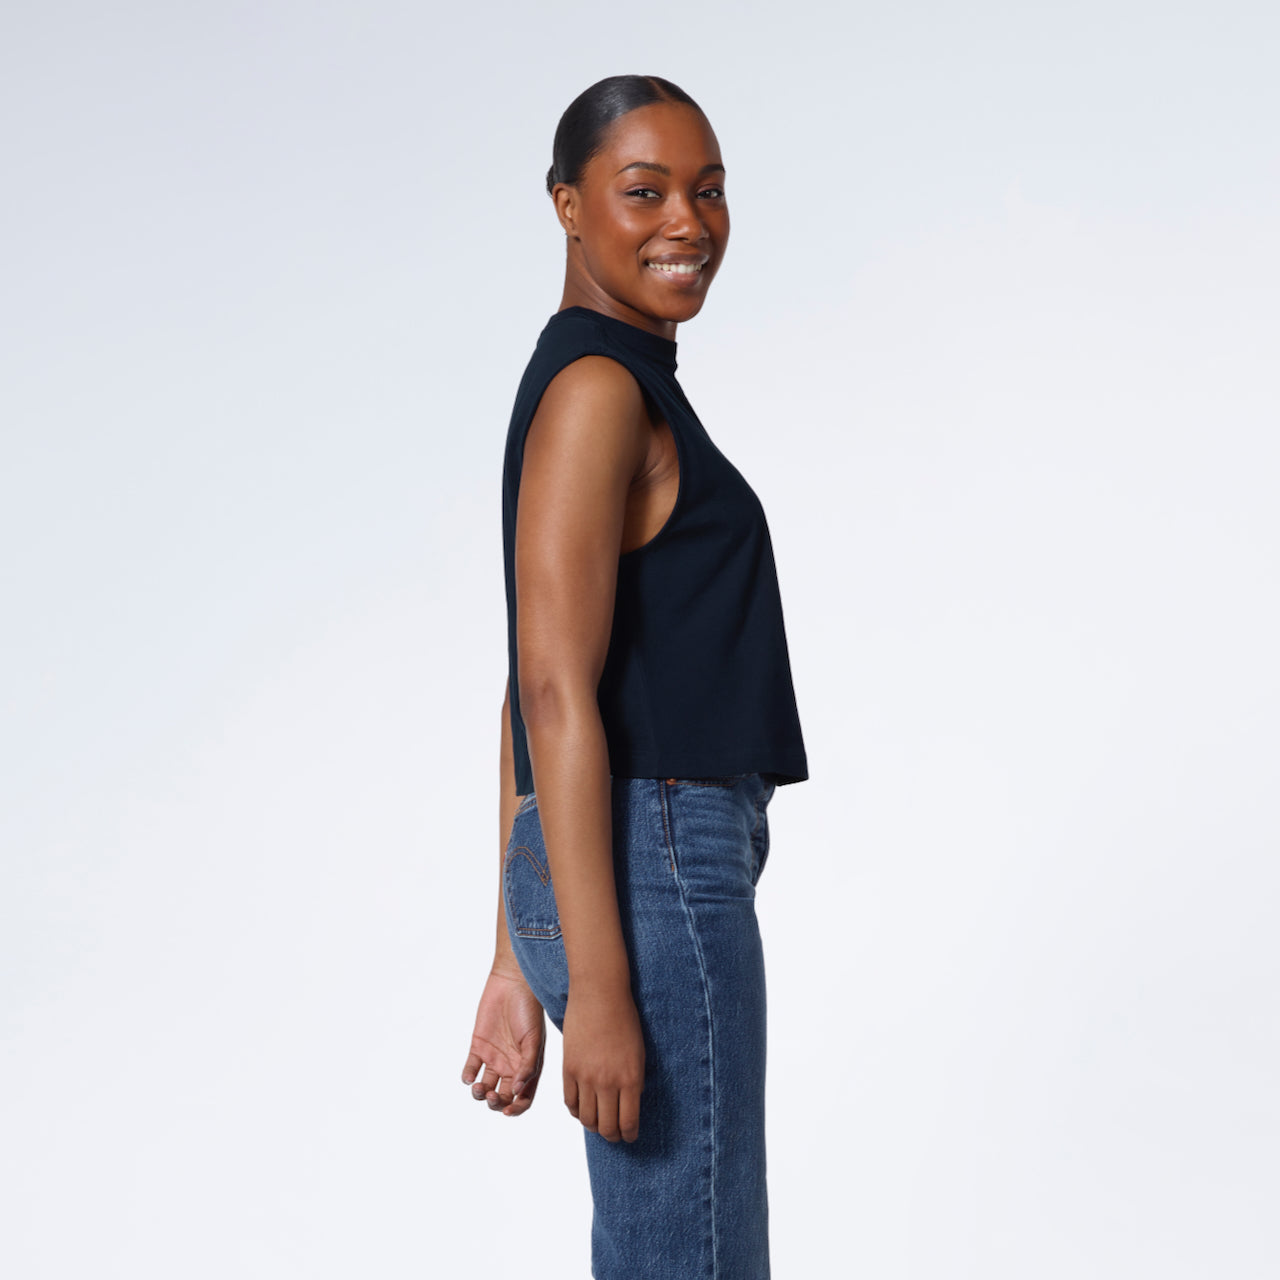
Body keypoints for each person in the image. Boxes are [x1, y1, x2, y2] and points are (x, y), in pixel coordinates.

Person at [461, 74, 809, 1280]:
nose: (688, 222)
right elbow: (550, 690)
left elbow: (527, 688)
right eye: (643, 190)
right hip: (651, 874)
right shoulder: (600, 390)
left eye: (708, 191)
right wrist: (596, 985)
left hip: (608, 872)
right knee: (694, 1256)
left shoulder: (603, 378)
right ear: (566, 204)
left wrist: (518, 953)